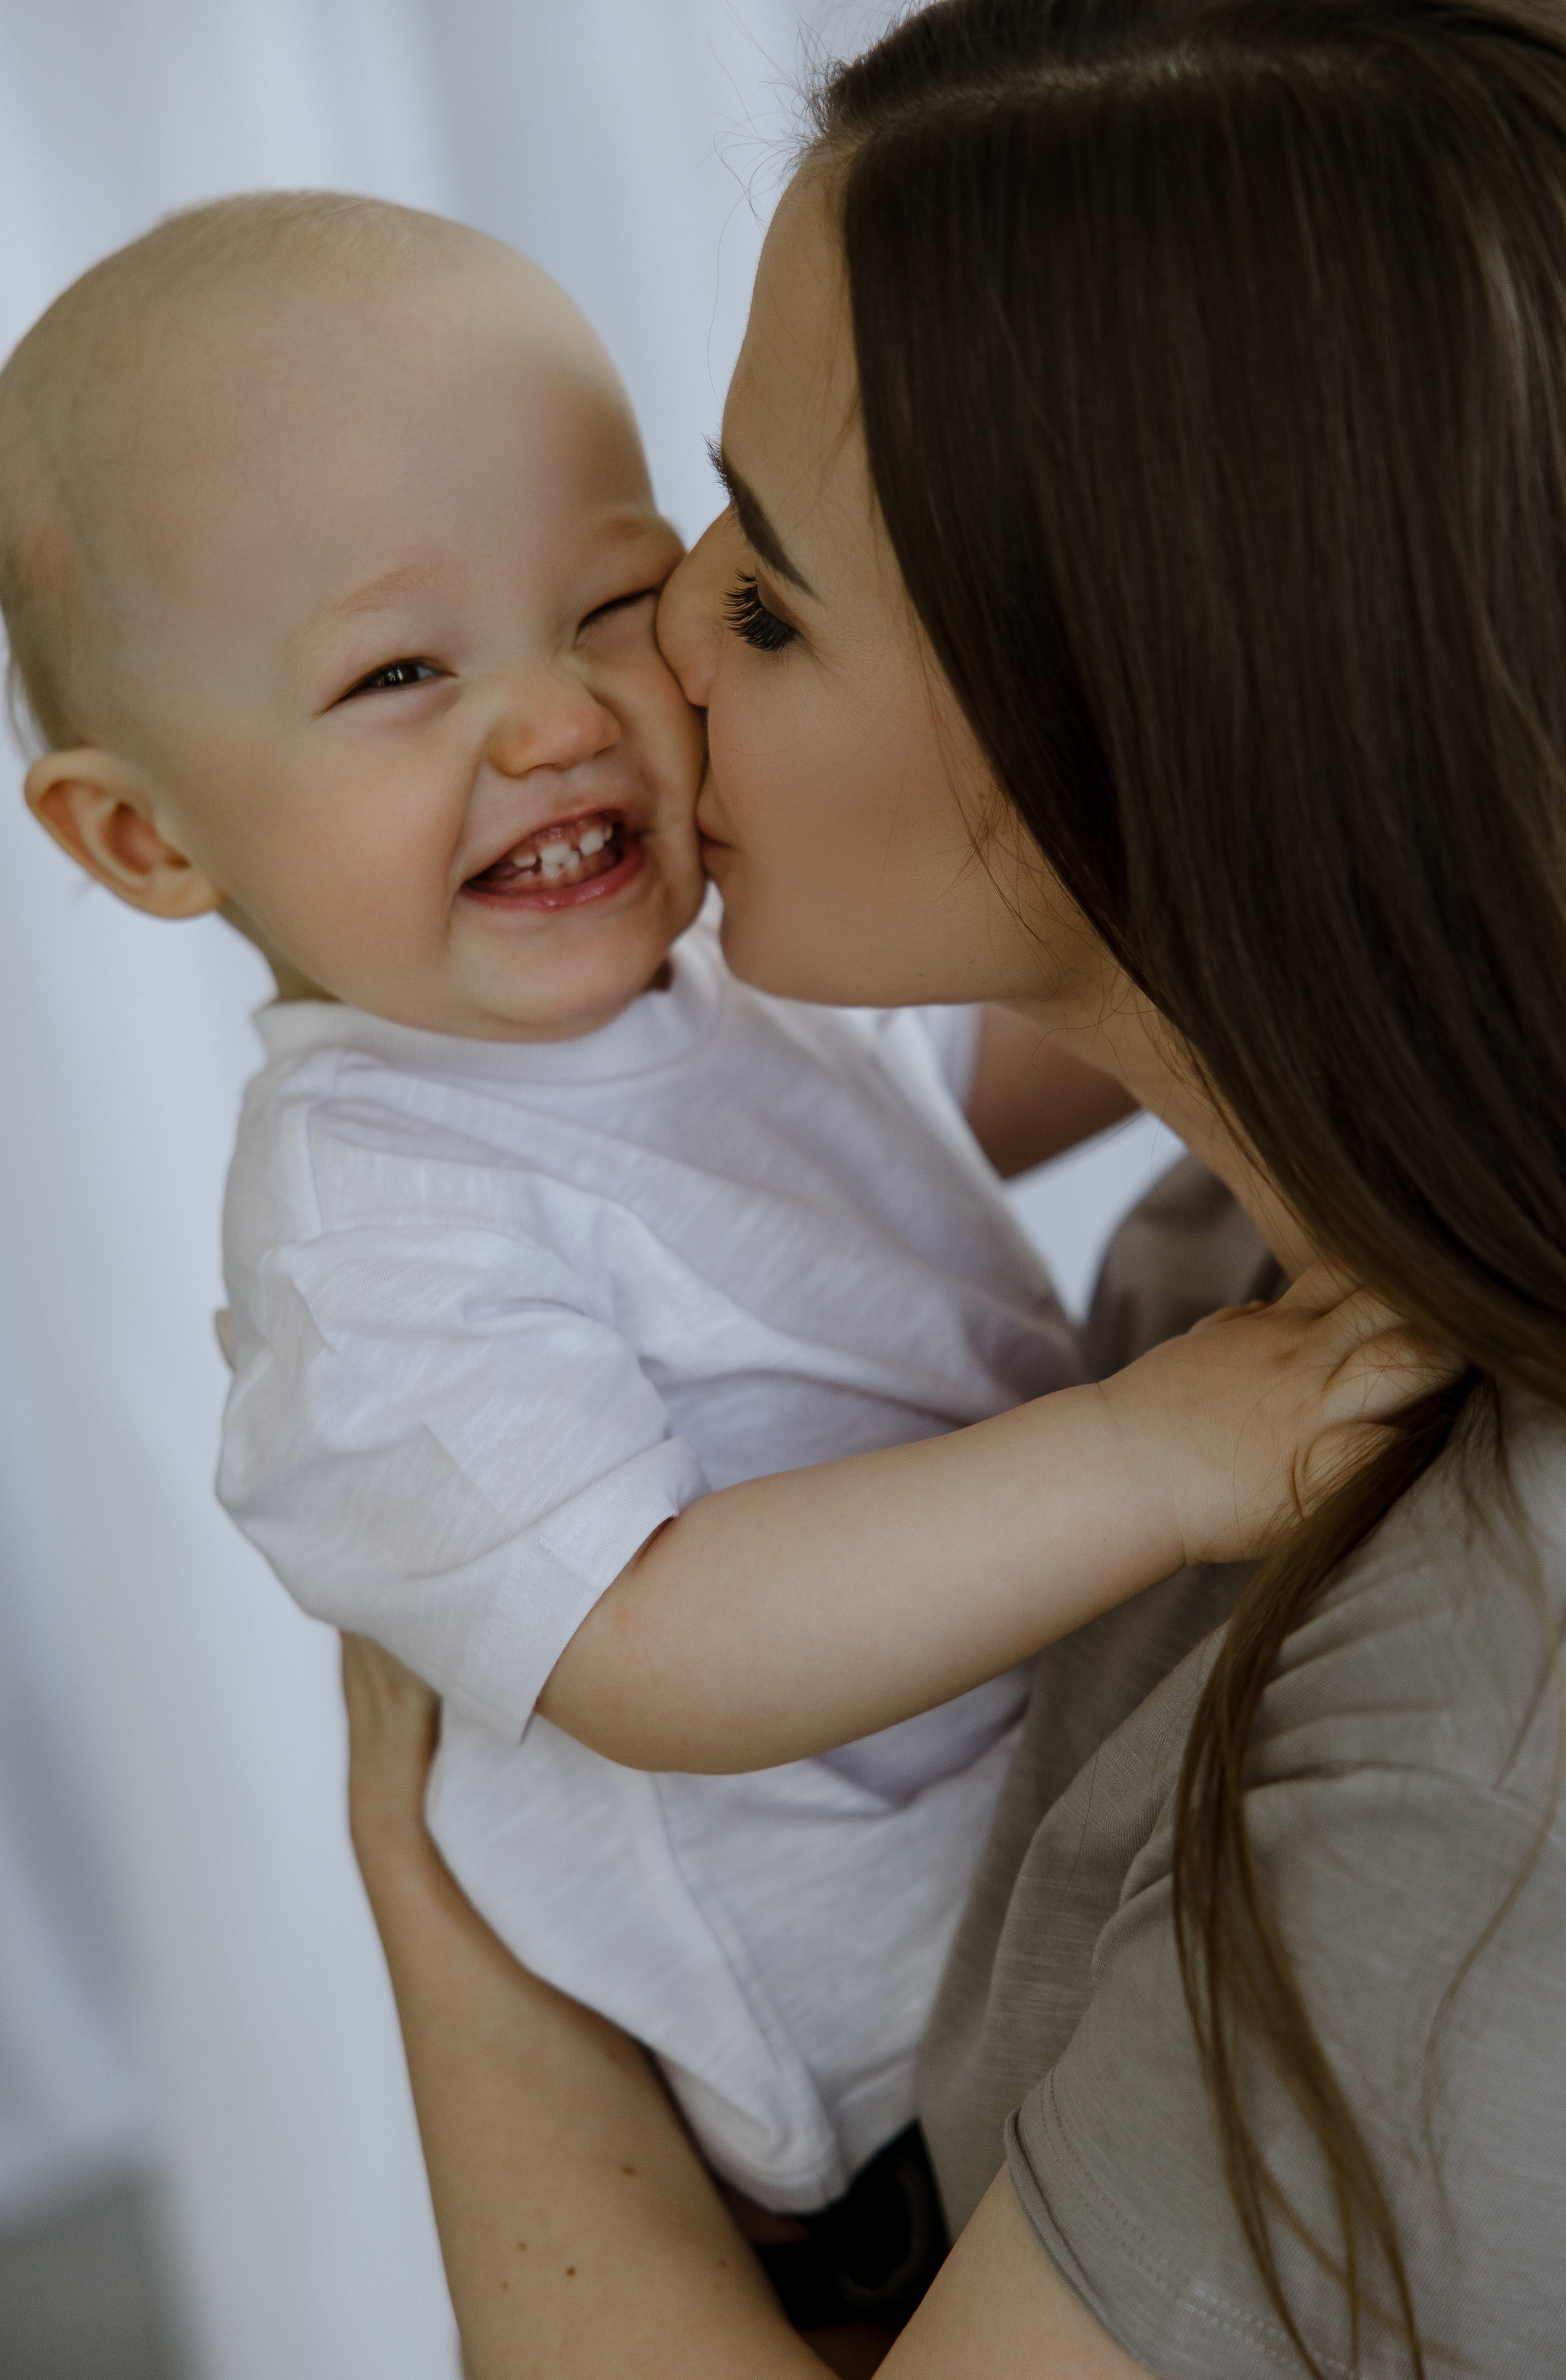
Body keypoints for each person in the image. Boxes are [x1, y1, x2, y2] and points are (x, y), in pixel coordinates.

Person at [0, 188, 1423, 2320]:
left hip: (1052, 1870)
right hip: (885, 2112)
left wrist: (1261, 950)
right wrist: (1155, 1458)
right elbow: (648, 1646)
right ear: (152, 838)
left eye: (606, 601)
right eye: (401, 671)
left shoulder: (683, 993)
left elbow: (993, 1066)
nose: (555, 717)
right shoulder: (372, 1230)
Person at [340, 0, 1566, 2373]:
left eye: (772, 601)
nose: (657, 644)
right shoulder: (1258, 1237)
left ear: (1166, 738)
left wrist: (455, 1934)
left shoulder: (1490, 1768)